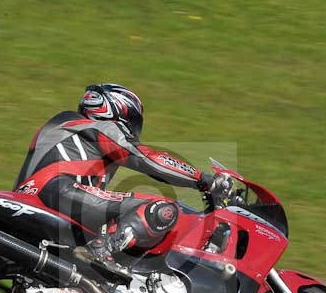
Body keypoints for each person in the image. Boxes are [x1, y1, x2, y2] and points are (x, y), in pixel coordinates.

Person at [14, 83, 211, 280]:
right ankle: (101, 249)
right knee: (163, 208)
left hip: (30, 196)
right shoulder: (101, 127)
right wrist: (202, 179)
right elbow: (144, 158)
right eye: (133, 120)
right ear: (117, 109)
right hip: (58, 190)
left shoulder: (64, 126)